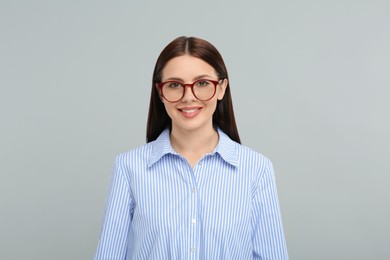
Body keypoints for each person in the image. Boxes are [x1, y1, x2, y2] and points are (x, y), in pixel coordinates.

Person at [95, 36, 288, 259]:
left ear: (222, 88)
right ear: (160, 92)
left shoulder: (256, 169)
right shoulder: (128, 168)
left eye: (203, 83)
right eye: (175, 85)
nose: (188, 97)